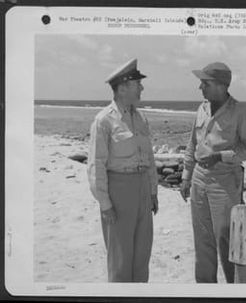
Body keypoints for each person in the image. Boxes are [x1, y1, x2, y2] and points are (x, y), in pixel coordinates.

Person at [180, 62, 246, 283]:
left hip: (225, 182)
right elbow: (191, 143)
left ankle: (233, 291)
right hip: (198, 179)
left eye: (205, 83)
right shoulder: (202, 108)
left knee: (227, 240)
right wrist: (186, 176)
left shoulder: (240, 112)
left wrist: (220, 156)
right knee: (202, 240)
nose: (200, 88)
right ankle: (206, 291)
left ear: (222, 86)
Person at [87, 58, 158, 282]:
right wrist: (105, 203)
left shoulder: (140, 117)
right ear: (123, 87)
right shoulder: (103, 121)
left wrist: (153, 191)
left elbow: (149, 158)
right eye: (138, 84)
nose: (142, 88)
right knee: (120, 259)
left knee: (141, 256)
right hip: (118, 192)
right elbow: (96, 164)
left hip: (143, 191)